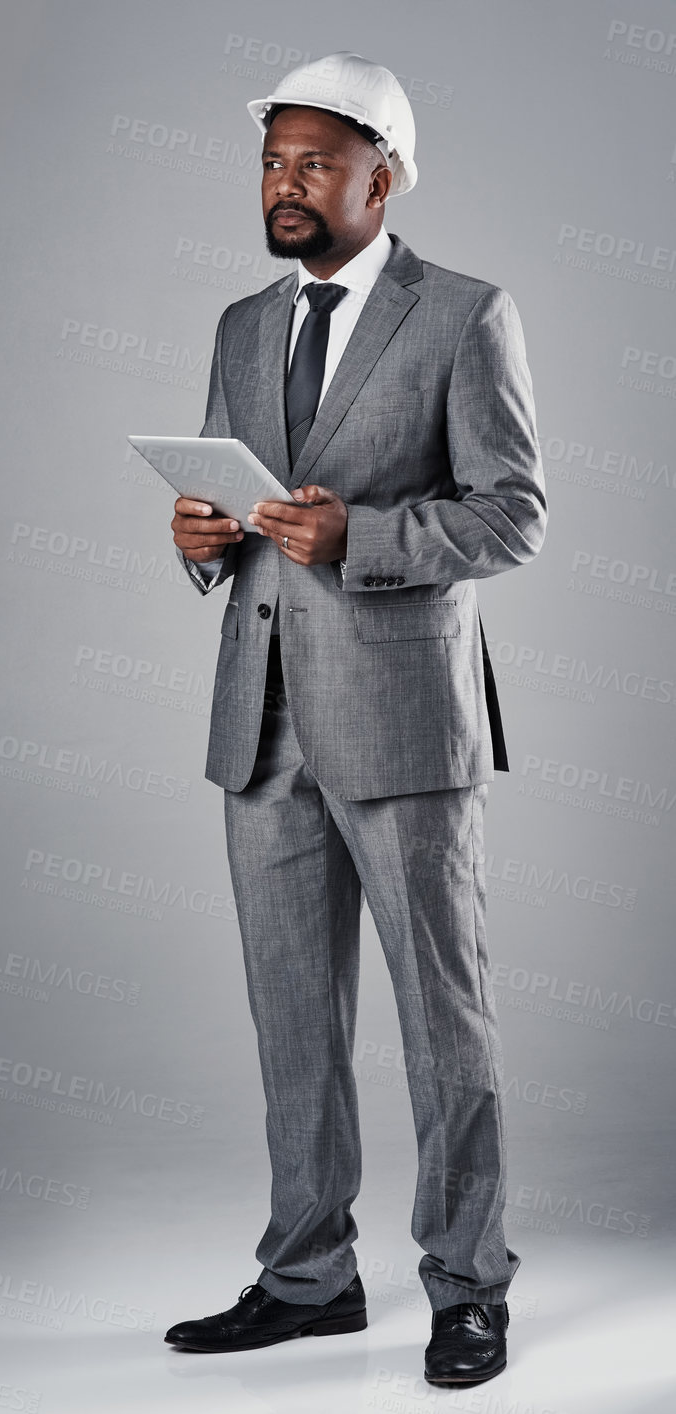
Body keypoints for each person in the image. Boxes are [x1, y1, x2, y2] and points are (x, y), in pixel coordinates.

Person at [162, 53, 545, 1387]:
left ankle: (468, 1287)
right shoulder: (236, 325)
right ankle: (306, 1275)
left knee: (445, 1014)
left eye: (313, 161)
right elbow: (228, 519)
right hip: (257, 726)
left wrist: (362, 535)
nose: (284, 183)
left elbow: (512, 511)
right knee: (292, 1023)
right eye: (272, 162)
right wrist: (197, 537)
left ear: (381, 174)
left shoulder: (463, 314)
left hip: (400, 722)